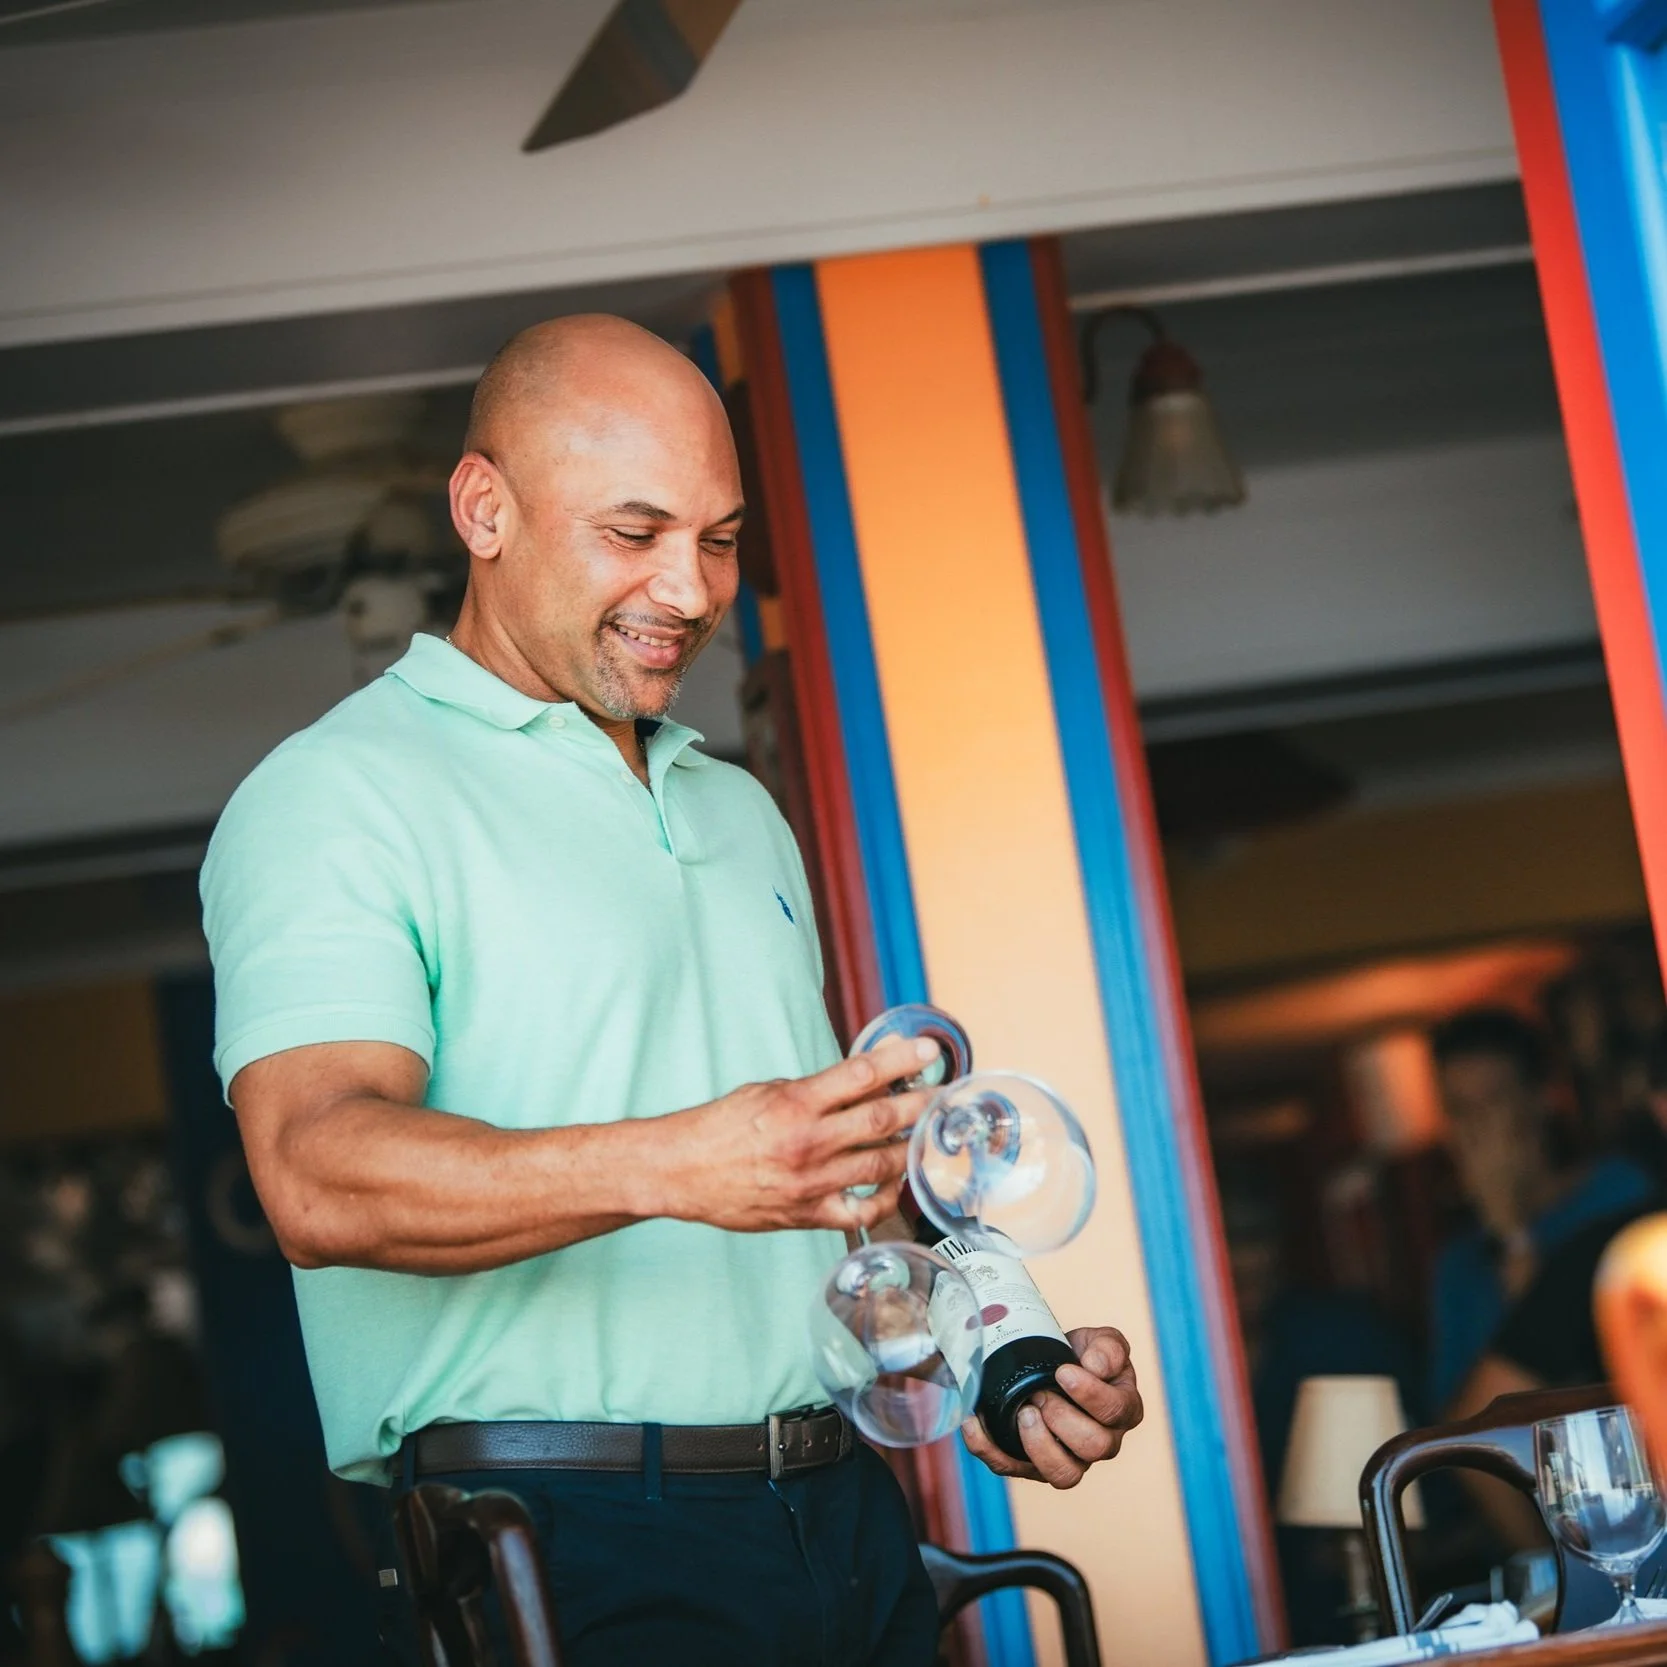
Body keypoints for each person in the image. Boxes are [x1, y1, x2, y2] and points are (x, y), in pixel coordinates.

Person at [200, 314, 1143, 1667]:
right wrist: (680, 1163)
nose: (691, 590)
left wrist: (990, 1351)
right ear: (483, 508)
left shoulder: (736, 806)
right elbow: (312, 1171)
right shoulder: (334, 796)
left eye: (716, 535)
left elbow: (833, 1197)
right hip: (562, 1530)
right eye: (632, 531)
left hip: (842, 1503)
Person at [1427, 1009, 1654, 1414]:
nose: (1479, 1127)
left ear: (1541, 1099)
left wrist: (1513, 1232)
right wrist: (1504, 1231)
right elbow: (1462, 1425)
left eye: (1494, 1101)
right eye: (1460, 1109)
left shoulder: (1621, 1194)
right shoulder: (1458, 1266)